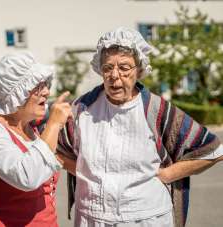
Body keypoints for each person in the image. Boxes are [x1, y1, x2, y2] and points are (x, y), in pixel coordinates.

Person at [57, 27, 223, 227]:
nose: (115, 75)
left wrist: (168, 174)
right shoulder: (82, 109)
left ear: (139, 69)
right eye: (108, 68)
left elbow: (213, 150)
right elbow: (52, 149)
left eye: (124, 67)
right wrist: (84, 172)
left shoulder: (156, 109)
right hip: (92, 219)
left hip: (146, 219)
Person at [0, 52, 73, 227]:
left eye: (46, 84)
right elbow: (27, 176)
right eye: (38, 85)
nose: (46, 92)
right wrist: (53, 124)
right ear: (17, 93)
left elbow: (54, 160)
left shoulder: (30, 130)